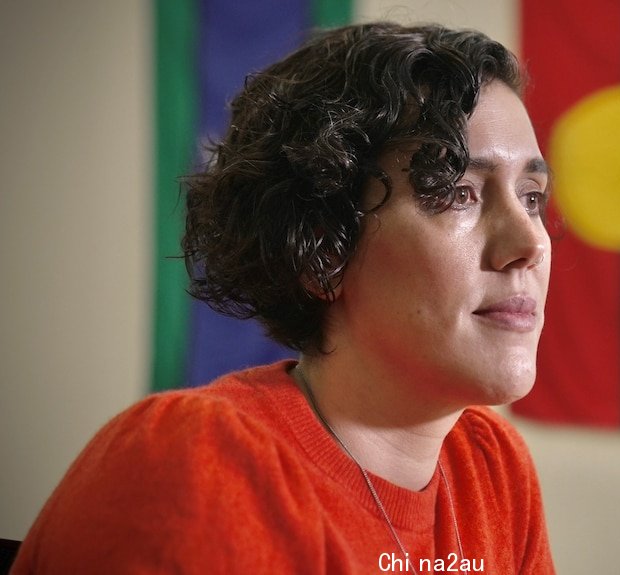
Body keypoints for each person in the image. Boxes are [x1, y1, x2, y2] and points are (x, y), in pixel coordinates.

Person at [12, 22, 555, 574]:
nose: (529, 243)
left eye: (532, 198)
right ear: (323, 250)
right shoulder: (201, 464)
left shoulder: (489, 468)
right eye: (458, 192)